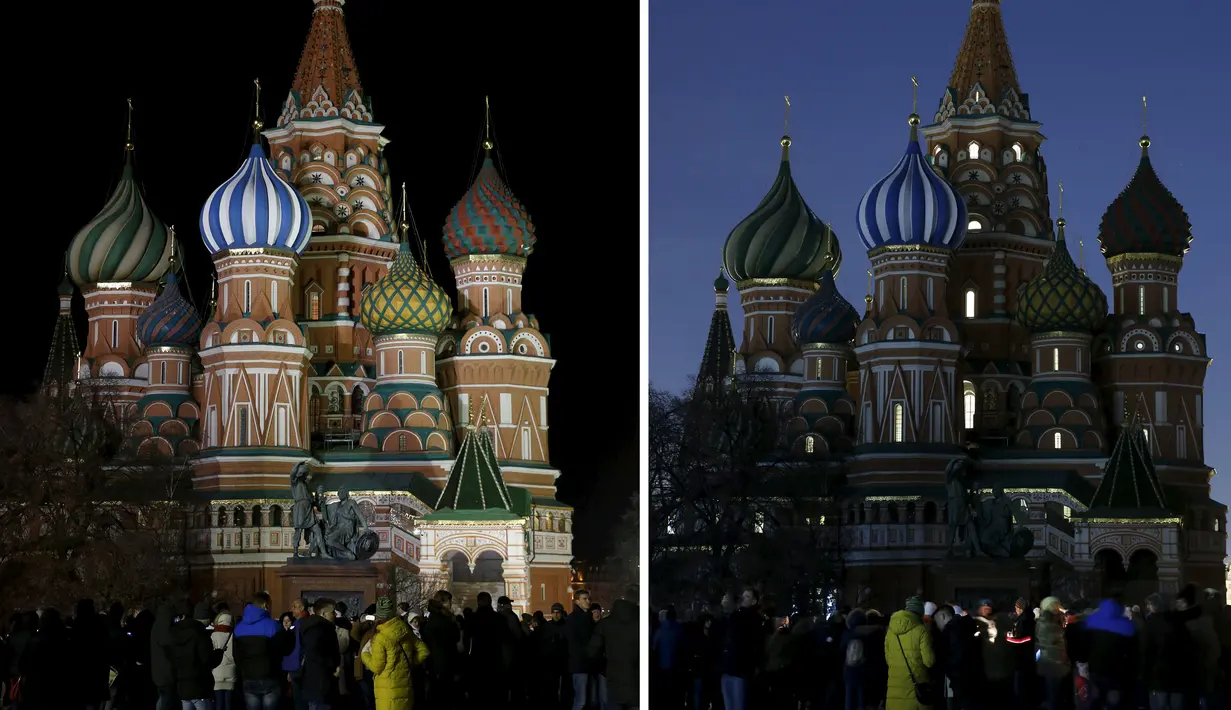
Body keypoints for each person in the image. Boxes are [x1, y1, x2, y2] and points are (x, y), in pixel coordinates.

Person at [362, 597, 429, 710]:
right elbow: (424, 650)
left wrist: (365, 654)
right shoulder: (405, 630)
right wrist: (409, 664)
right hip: (406, 690)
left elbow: (377, 667)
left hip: (387, 692)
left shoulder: (380, 638)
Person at [589, 585, 639, 710]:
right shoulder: (641, 621)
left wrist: (603, 666)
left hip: (613, 677)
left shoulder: (606, 624)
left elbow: (592, 651)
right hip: (637, 679)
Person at [233, 592, 287, 710]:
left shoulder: (239, 628)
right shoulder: (274, 626)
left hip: (248, 677)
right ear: (265, 605)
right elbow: (283, 651)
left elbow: (236, 655)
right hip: (270, 677)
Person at [1082, 595, 1135, 710]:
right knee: (1113, 699)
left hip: (1095, 667)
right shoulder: (1125, 625)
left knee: (1095, 698)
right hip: (1116, 669)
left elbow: (1085, 644)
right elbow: (1131, 649)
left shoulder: (1092, 621)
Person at [884, 596, 934, 710]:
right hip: (915, 694)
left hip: (893, 693)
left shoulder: (890, 632)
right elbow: (929, 661)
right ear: (919, 613)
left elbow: (888, 659)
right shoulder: (922, 631)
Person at [718, 587, 763, 710]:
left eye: (747, 596)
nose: (743, 598)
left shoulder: (753, 619)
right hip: (728, 668)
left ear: (754, 601)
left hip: (740, 670)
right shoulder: (735, 616)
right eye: (743, 595)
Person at [167, 600, 215, 710]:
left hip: (182, 685)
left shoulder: (173, 633)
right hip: (199, 685)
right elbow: (206, 659)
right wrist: (218, 654)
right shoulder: (199, 631)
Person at [420, 591, 460, 710]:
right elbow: (455, 637)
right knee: (444, 699)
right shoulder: (443, 620)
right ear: (443, 602)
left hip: (435, 664)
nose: (451, 604)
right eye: (449, 601)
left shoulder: (433, 617)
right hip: (443, 664)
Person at [299, 598, 341, 710]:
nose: (335, 615)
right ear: (323, 613)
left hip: (316, 680)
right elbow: (315, 652)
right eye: (332, 612)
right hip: (320, 682)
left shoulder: (313, 626)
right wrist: (332, 665)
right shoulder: (320, 628)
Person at [1035, 597, 1070, 710]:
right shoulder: (1045, 622)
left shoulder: (1054, 620)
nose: (1058, 607)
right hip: (1051, 662)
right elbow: (1049, 638)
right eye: (1055, 605)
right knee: (1052, 690)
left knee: (1054, 690)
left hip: (1056, 661)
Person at [566, 589, 597, 710]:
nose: (588, 601)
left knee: (589, 700)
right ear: (577, 601)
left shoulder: (587, 618)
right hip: (580, 664)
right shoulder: (575, 619)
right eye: (584, 599)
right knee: (581, 700)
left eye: (589, 598)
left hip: (588, 664)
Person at [210, 612, 237, 710]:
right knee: (229, 704)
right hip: (231, 671)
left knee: (219, 704)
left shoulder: (213, 635)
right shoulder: (233, 635)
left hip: (217, 672)